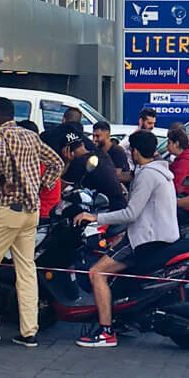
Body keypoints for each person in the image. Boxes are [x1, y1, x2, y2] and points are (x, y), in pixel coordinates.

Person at [0, 100, 63, 347]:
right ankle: (29, 330)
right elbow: (57, 163)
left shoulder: (0, 135)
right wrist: (40, 185)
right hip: (32, 211)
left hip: (9, 208)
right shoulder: (30, 135)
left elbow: (0, 158)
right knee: (26, 270)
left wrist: (8, 180)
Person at [74, 130, 179, 348]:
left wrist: (94, 216)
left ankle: (106, 332)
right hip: (161, 236)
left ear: (135, 151)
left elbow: (131, 213)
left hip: (146, 240)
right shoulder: (161, 172)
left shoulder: (147, 175)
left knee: (97, 273)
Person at [59, 132, 125, 209]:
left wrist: (67, 162)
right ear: (82, 144)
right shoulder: (102, 154)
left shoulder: (78, 162)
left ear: (67, 151)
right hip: (119, 203)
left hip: (106, 208)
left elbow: (59, 188)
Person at [167, 124, 189, 206]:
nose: (167, 146)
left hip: (186, 207)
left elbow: (173, 188)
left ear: (176, 144)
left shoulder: (183, 164)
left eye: (169, 142)